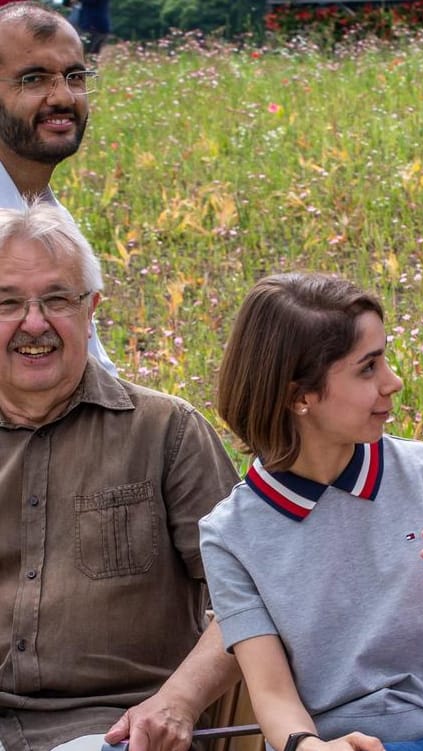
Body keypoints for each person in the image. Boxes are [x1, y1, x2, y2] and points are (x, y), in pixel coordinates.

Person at [199, 273, 423, 751]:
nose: (394, 382)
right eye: (368, 368)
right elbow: (272, 692)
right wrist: (308, 747)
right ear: (299, 395)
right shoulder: (230, 535)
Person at [0, 201, 240, 751]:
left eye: (57, 299)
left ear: (92, 310)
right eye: (7, 303)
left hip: (114, 731)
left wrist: (176, 701)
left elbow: (256, 593)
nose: (33, 323)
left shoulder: (166, 433)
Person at [0, 1, 116, 375]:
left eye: (75, 76)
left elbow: (92, 371)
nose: (63, 98)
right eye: (33, 79)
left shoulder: (44, 213)